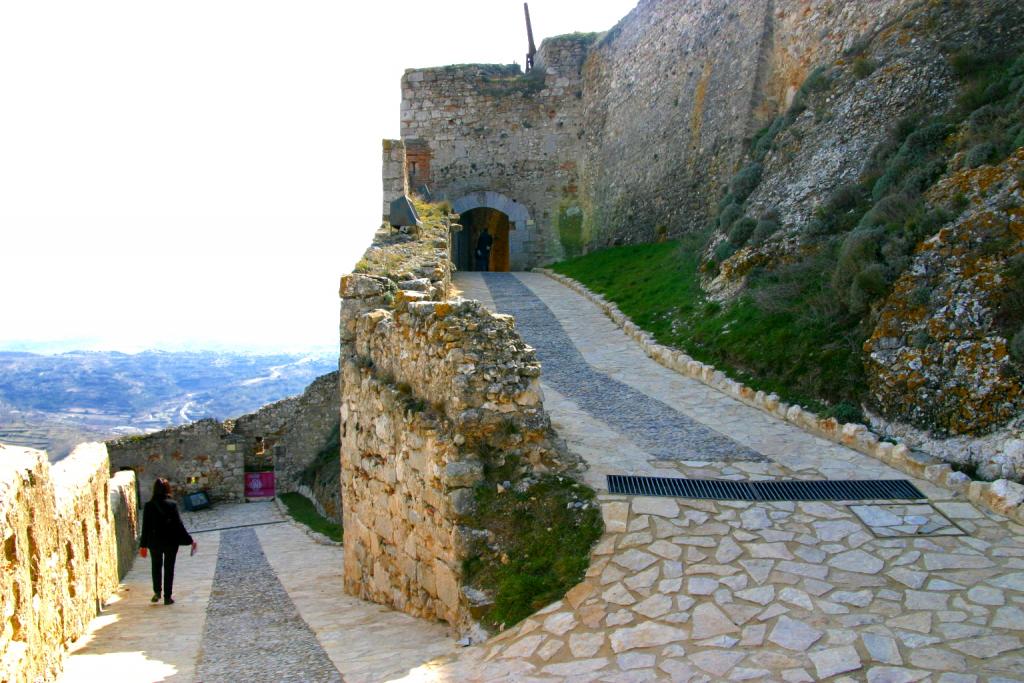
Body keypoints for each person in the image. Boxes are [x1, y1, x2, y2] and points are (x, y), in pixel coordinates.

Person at [140, 478, 197, 605]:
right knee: (169, 568)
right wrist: (190, 540)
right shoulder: (172, 505)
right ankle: (167, 597)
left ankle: (156, 592)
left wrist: (142, 545)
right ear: (167, 489)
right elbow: (178, 525)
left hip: (154, 542)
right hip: (170, 541)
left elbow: (145, 527)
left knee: (156, 566)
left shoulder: (149, 506)